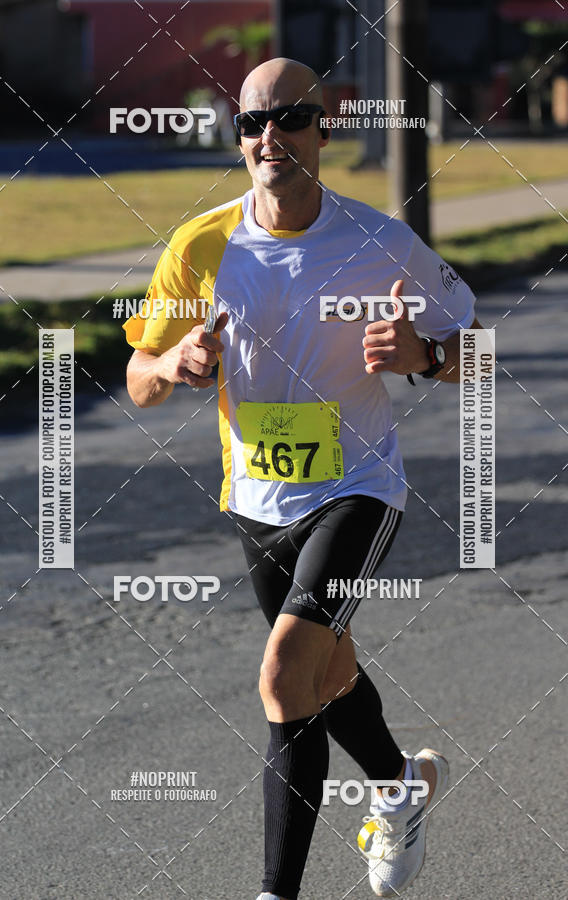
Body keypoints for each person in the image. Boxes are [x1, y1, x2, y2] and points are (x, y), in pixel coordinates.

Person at [124, 57, 482, 899]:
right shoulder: (202, 244)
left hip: (358, 485)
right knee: (326, 675)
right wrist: (172, 360)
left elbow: (481, 354)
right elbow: (136, 378)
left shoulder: (379, 241)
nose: (268, 137)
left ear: (325, 128)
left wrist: (424, 358)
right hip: (256, 497)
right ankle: (400, 786)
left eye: (288, 118)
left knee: (285, 672)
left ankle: (274, 892)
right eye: (251, 123)